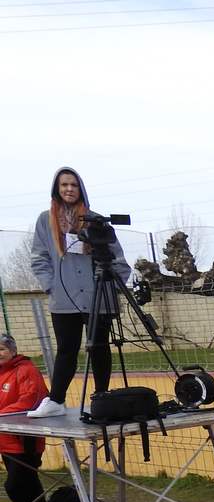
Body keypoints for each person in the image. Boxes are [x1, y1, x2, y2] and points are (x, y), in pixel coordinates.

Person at [28, 166, 132, 419]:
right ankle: (56, 399)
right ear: (57, 189)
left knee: (99, 346)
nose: (69, 189)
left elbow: (116, 257)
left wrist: (113, 285)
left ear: (81, 189)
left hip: (98, 294)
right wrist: (50, 285)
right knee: (67, 348)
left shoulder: (95, 218)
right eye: (64, 185)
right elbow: (39, 257)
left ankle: (101, 397)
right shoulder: (45, 219)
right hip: (63, 296)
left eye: (73, 185)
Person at [0, 333, 52, 502]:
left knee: (17, 483)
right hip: (5, 438)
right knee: (26, 481)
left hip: (25, 438)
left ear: (13, 351)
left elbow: (31, 400)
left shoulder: (26, 370)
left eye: (2, 349)